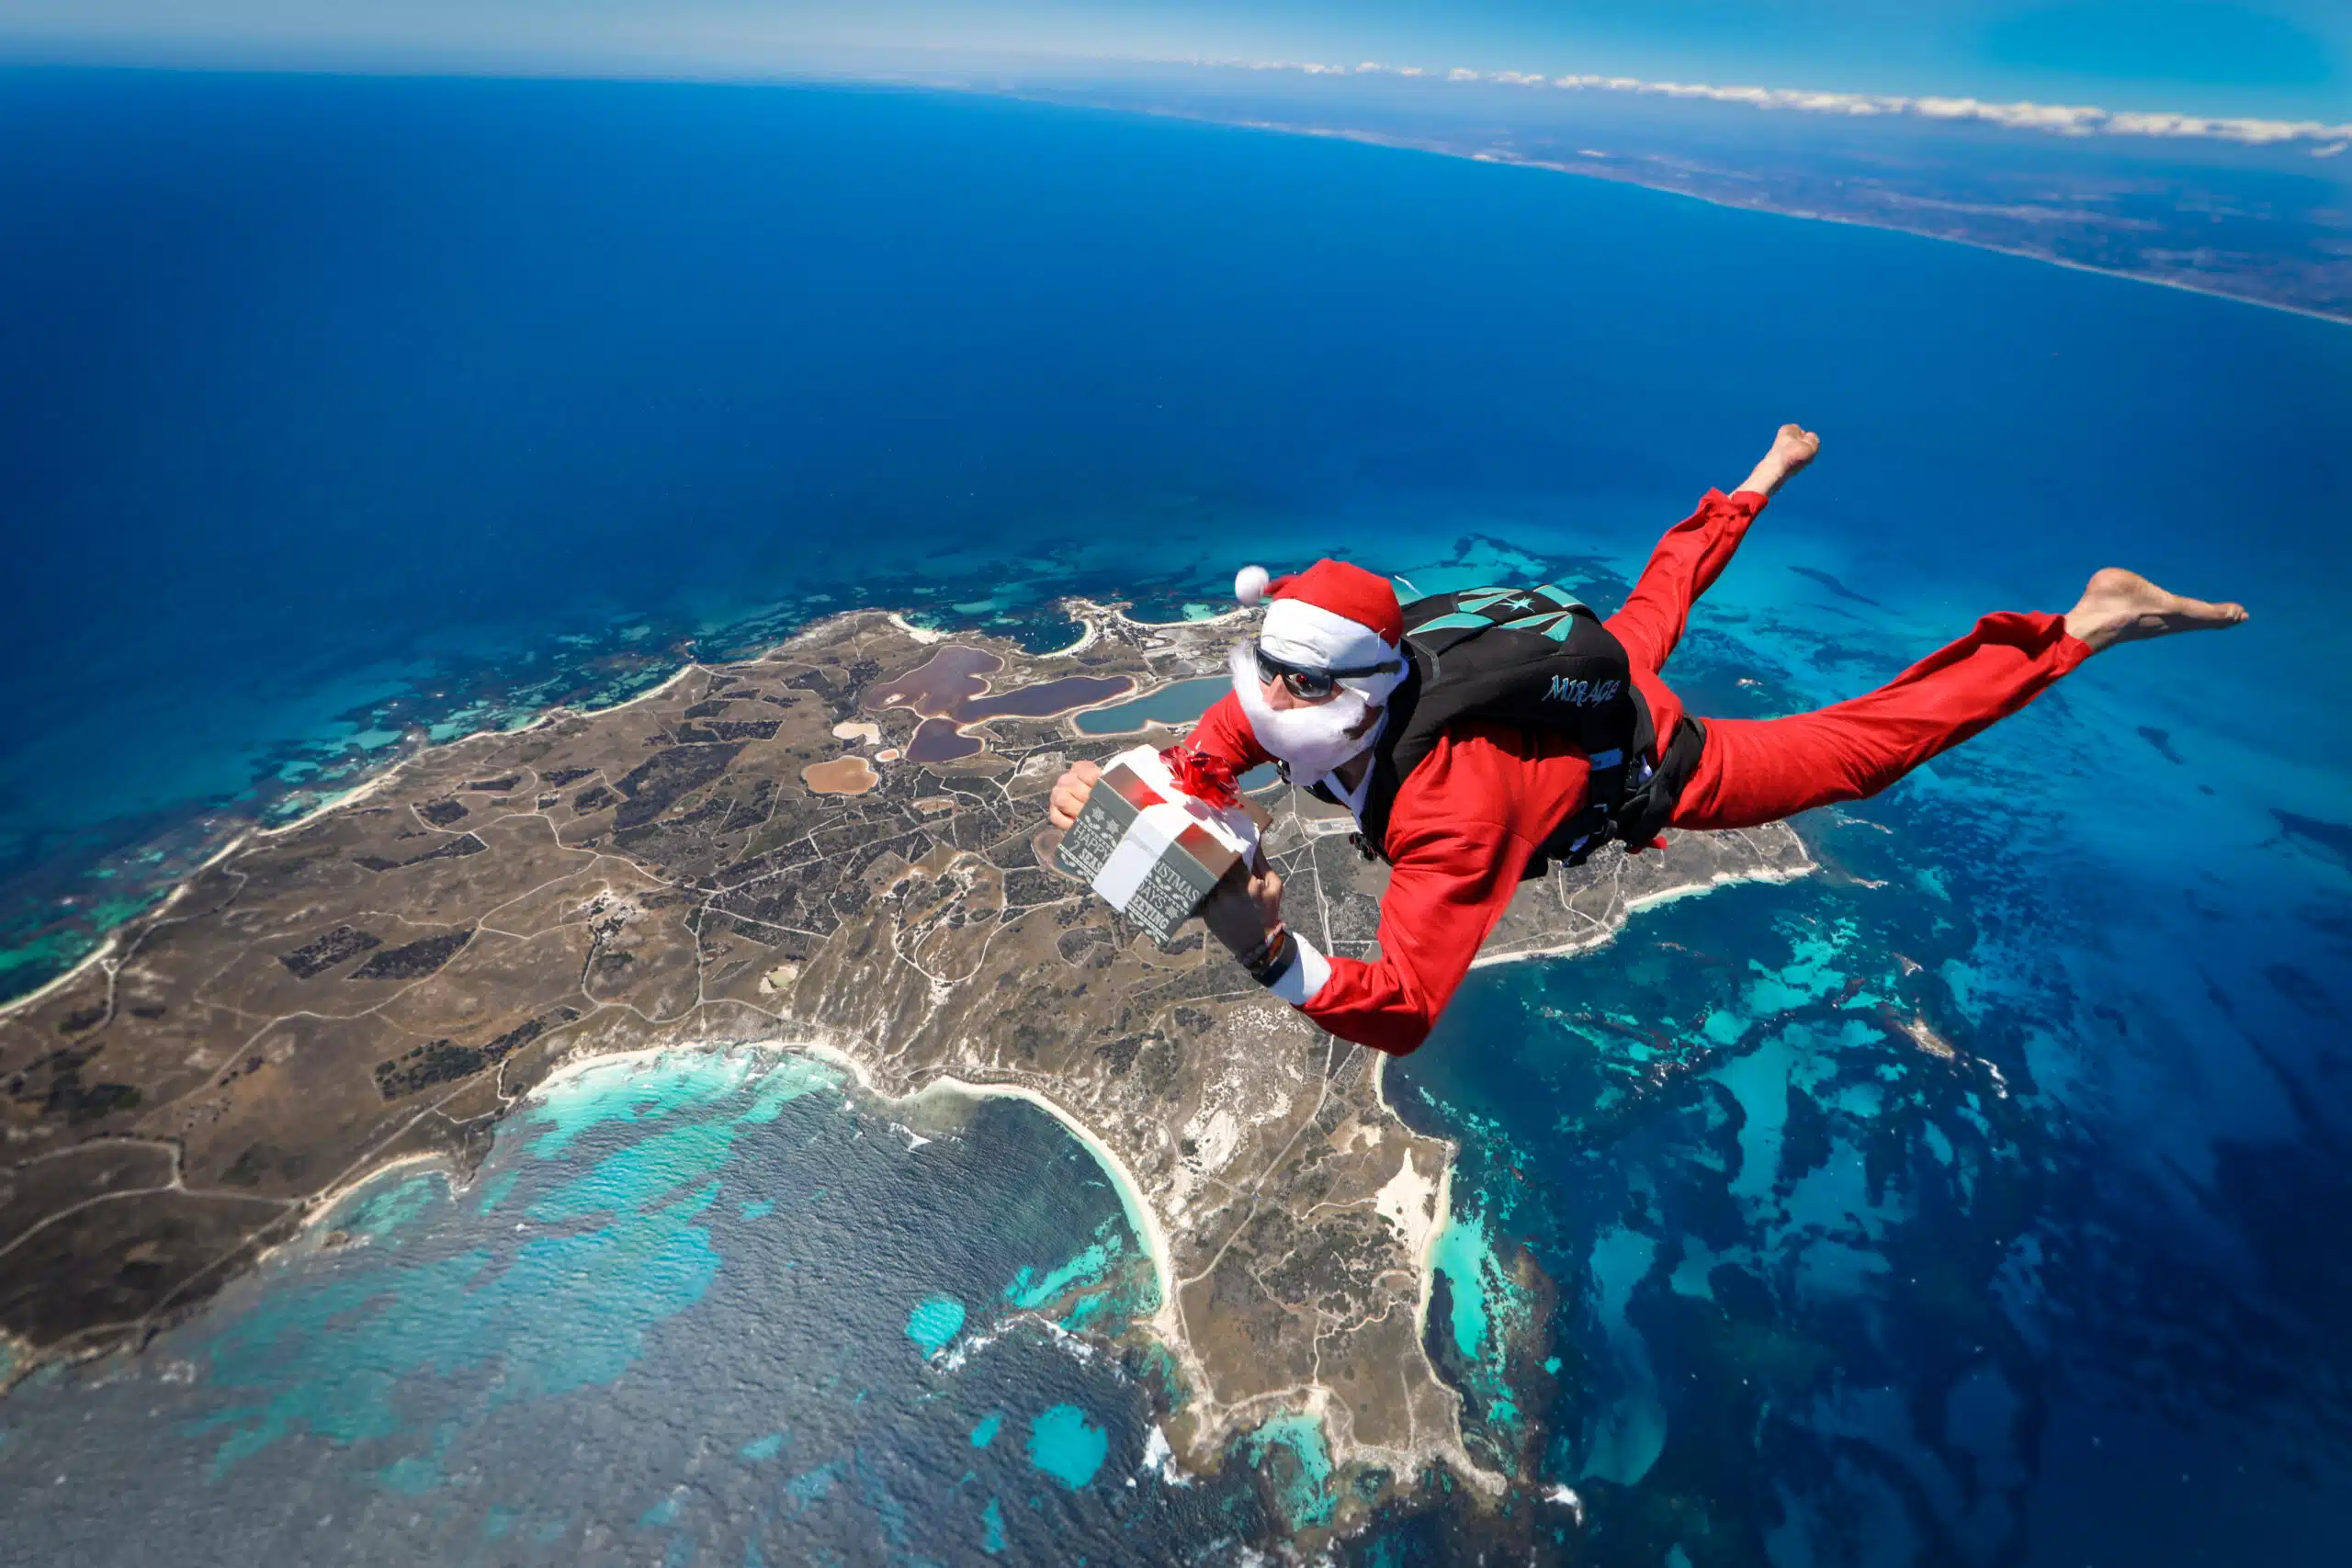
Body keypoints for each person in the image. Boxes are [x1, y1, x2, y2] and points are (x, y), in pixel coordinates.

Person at [1046, 424, 2246, 1055]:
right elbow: (1203, 762)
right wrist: (1133, 815)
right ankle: (1765, 472)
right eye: (1258, 689)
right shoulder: (1292, 683)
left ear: (1351, 695)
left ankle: (2085, 622)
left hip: (1660, 759)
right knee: (1652, 607)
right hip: (1584, 677)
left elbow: (1406, 1008)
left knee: (1865, 745)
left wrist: (1268, 957)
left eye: (1282, 701)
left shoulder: (1454, 810)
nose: (1253, 720)